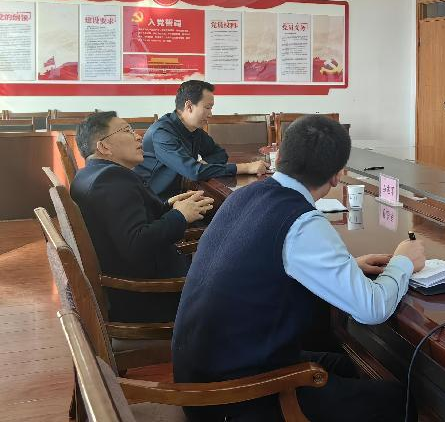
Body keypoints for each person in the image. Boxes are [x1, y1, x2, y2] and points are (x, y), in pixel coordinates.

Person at [172, 115, 425, 422]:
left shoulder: (246, 194)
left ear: (279, 156)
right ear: (338, 175)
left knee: (348, 365)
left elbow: (269, 262)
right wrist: (402, 261)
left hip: (203, 374)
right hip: (234, 398)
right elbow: (371, 309)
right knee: (398, 401)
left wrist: (348, 267)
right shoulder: (302, 222)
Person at [70, 111, 214, 322]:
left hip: (132, 288)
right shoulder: (112, 179)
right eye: (127, 131)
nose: (138, 136)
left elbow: (123, 224)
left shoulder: (88, 175)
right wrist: (180, 215)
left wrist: (167, 206)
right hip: (152, 295)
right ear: (104, 146)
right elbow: (136, 243)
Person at [134, 80, 268, 200]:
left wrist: (204, 164)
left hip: (182, 195)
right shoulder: (162, 133)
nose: (211, 114)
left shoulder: (193, 129)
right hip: (155, 202)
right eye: (207, 107)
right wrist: (246, 167)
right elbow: (194, 172)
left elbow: (220, 154)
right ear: (189, 106)